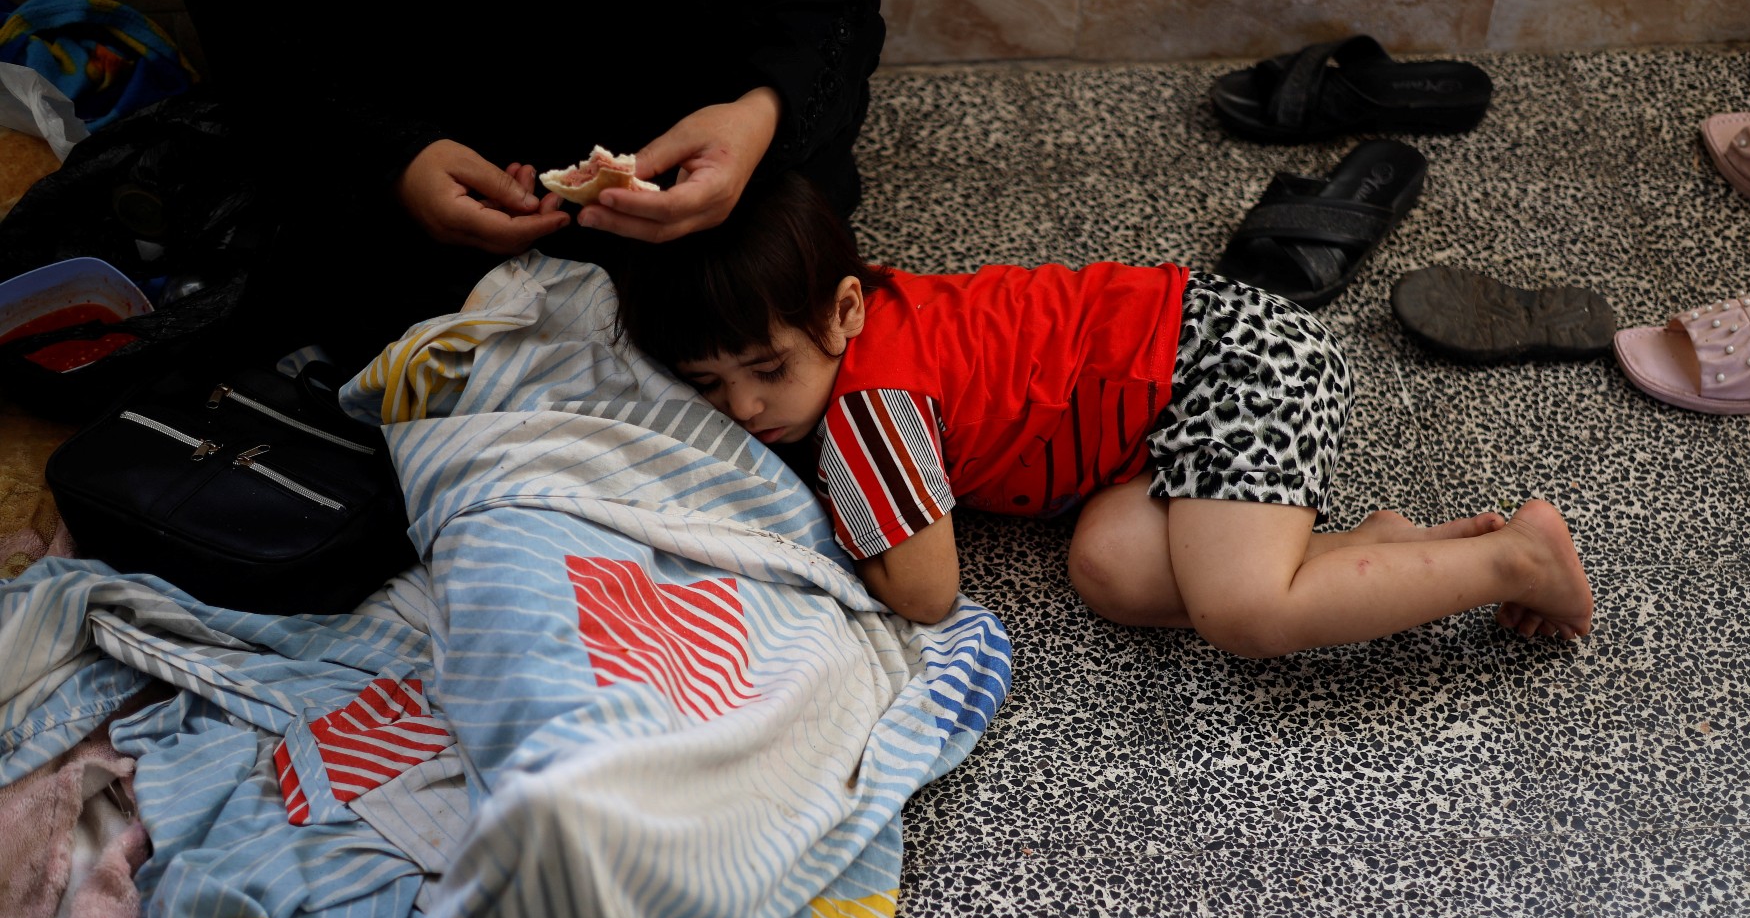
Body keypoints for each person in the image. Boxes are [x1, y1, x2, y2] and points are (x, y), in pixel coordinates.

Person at [623, 173, 1595, 654]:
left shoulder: (868, 414)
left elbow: (924, 593)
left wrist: (819, 530)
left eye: (767, 370)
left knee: (1245, 614)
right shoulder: (856, 310)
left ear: (844, 313)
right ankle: (1364, 549)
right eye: (707, 384)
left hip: (1233, 364)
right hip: (1179, 381)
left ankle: (1516, 560)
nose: (744, 408)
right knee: (1114, 571)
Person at [179, 0, 884, 369]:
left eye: (762, 374)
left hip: (728, 173)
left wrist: (762, 111)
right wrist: (395, 157)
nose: (745, 405)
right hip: (416, 187)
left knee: (755, 326)